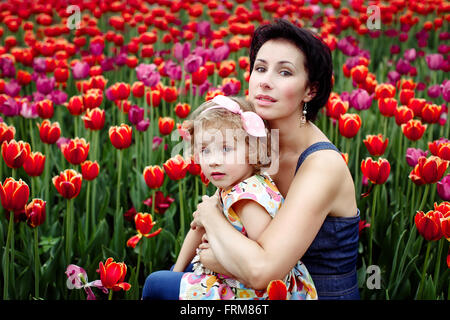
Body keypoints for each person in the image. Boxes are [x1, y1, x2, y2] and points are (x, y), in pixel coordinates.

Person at [190, 19, 360, 300]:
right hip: (249, 289)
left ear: (311, 90)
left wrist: (211, 215)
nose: (265, 81)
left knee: (161, 284)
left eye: (284, 72)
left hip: (314, 294)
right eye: (260, 68)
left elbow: (262, 272)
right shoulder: (256, 139)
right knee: (169, 279)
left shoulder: (322, 166)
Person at [142, 94, 317, 300]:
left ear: (252, 151)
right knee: (173, 274)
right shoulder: (230, 187)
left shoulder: (247, 200)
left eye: (226, 149)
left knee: (156, 283)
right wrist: (177, 272)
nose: (214, 161)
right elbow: (197, 229)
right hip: (231, 277)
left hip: (256, 293)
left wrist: (217, 263)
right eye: (205, 150)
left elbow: (264, 264)